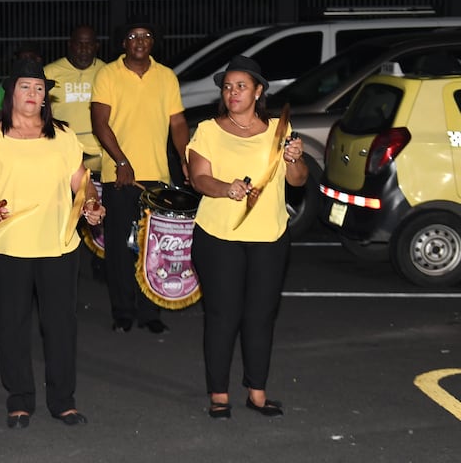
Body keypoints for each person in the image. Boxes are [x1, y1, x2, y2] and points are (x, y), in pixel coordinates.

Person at [0, 56, 105, 429]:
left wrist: (91, 202)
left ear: (45, 97)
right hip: (8, 248)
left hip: (58, 245)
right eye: (25, 86)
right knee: (12, 324)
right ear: (11, 93)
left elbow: (81, 181)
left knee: (60, 325)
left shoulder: (63, 136)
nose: (33, 93)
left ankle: (63, 401)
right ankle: (19, 399)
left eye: (39, 88)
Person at [186, 54, 306, 419]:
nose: (232, 92)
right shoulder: (208, 129)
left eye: (241, 86)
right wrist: (227, 188)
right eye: (227, 87)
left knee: (260, 316)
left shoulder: (278, 130)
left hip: (269, 235)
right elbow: (198, 178)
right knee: (223, 316)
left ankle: (257, 391)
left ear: (258, 91)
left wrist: (294, 158)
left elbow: (298, 181)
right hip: (219, 236)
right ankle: (219, 393)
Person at [91, 21, 189, 334]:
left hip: (156, 175)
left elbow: (178, 124)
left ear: (153, 42)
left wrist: (185, 159)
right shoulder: (108, 74)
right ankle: (122, 312)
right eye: (133, 36)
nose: (140, 41)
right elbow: (100, 123)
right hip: (119, 176)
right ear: (123, 43)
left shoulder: (166, 76)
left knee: (154, 247)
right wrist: (121, 160)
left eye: (146, 36)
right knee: (119, 248)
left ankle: (150, 313)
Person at [44, 25, 105, 169]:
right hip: (61, 150)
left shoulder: (106, 72)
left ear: (96, 46)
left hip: (99, 152)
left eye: (89, 44)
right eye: (79, 44)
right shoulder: (50, 73)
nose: (84, 49)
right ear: (70, 45)